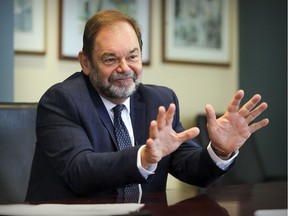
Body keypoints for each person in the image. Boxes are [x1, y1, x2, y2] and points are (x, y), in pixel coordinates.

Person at [25, 10, 269, 202]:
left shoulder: (160, 101)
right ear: (86, 62)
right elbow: (80, 172)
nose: (125, 68)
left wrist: (219, 150)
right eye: (110, 59)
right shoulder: (61, 100)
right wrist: (143, 156)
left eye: (132, 56)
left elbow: (191, 169)